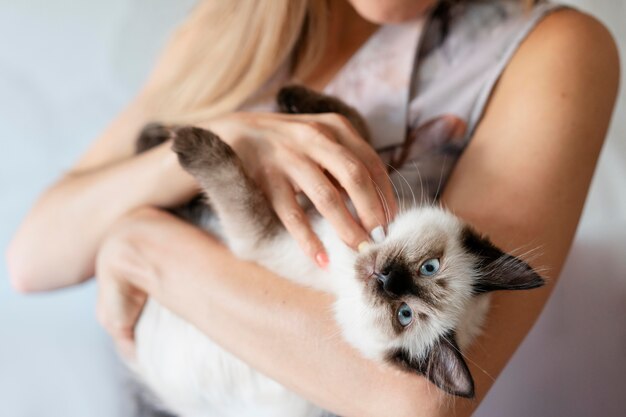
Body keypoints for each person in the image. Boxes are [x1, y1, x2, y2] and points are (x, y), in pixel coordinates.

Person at [6, 0, 619, 416]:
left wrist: (141, 247)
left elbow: (415, 403)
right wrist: (231, 139)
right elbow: (33, 257)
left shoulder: (554, 48)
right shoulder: (231, 26)